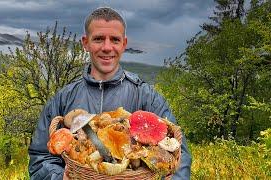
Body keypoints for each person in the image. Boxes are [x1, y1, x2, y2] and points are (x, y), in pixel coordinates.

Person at [28, 7, 192, 180]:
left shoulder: (146, 97)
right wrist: (59, 177)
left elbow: (180, 156)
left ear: (124, 44)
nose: (107, 47)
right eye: (98, 39)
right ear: (85, 43)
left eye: (114, 39)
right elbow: (40, 158)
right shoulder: (63, 99)